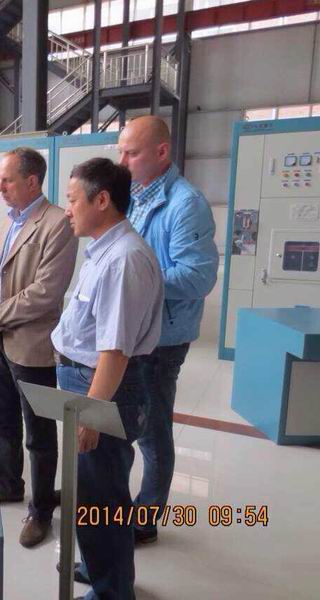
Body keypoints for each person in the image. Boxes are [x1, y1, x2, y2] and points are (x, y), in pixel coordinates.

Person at [52, 157, 163, 600]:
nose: (67, 210)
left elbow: (114, 351)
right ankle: (100, 568)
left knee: (102, 497)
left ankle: (113, 591)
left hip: (102, 389)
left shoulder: (123, 260)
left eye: (72, 200)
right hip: (87, 383)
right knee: (91, 489)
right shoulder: (104, 250)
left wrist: (91, 414)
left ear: (102, 200)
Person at [118, 116, 219, 544]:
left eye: (131, 153)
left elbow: (197, 277)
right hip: (130, 332)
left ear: (162, 152)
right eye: (120, 152)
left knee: (152, 431)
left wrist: (134, 277)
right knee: (126, 424)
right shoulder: (134, 197)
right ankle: (120, 504)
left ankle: (146, 517)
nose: (122, 161)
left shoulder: (185, 203)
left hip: (161, 340)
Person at [0, 147, 78, 548]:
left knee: (39, 431)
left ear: (32, 181)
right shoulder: (6, 223)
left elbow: (47, 292)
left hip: (30, 344)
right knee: (2, 421)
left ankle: (41, 510)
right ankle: (8, 485)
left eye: (7, 180)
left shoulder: (57, 223)